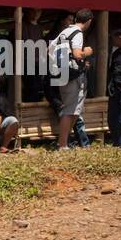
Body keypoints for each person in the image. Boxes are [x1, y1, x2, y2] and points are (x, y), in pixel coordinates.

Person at [49, 9, 95, 150]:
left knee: (74, 110)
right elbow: (77, 54)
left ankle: (63, 142)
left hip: (62, 74)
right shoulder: (77, 33)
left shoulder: (64, 32)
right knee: (70, 110)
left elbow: (49, 49)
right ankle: (62, 144)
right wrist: (87, 52)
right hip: (73, 76)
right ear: (88, 21)